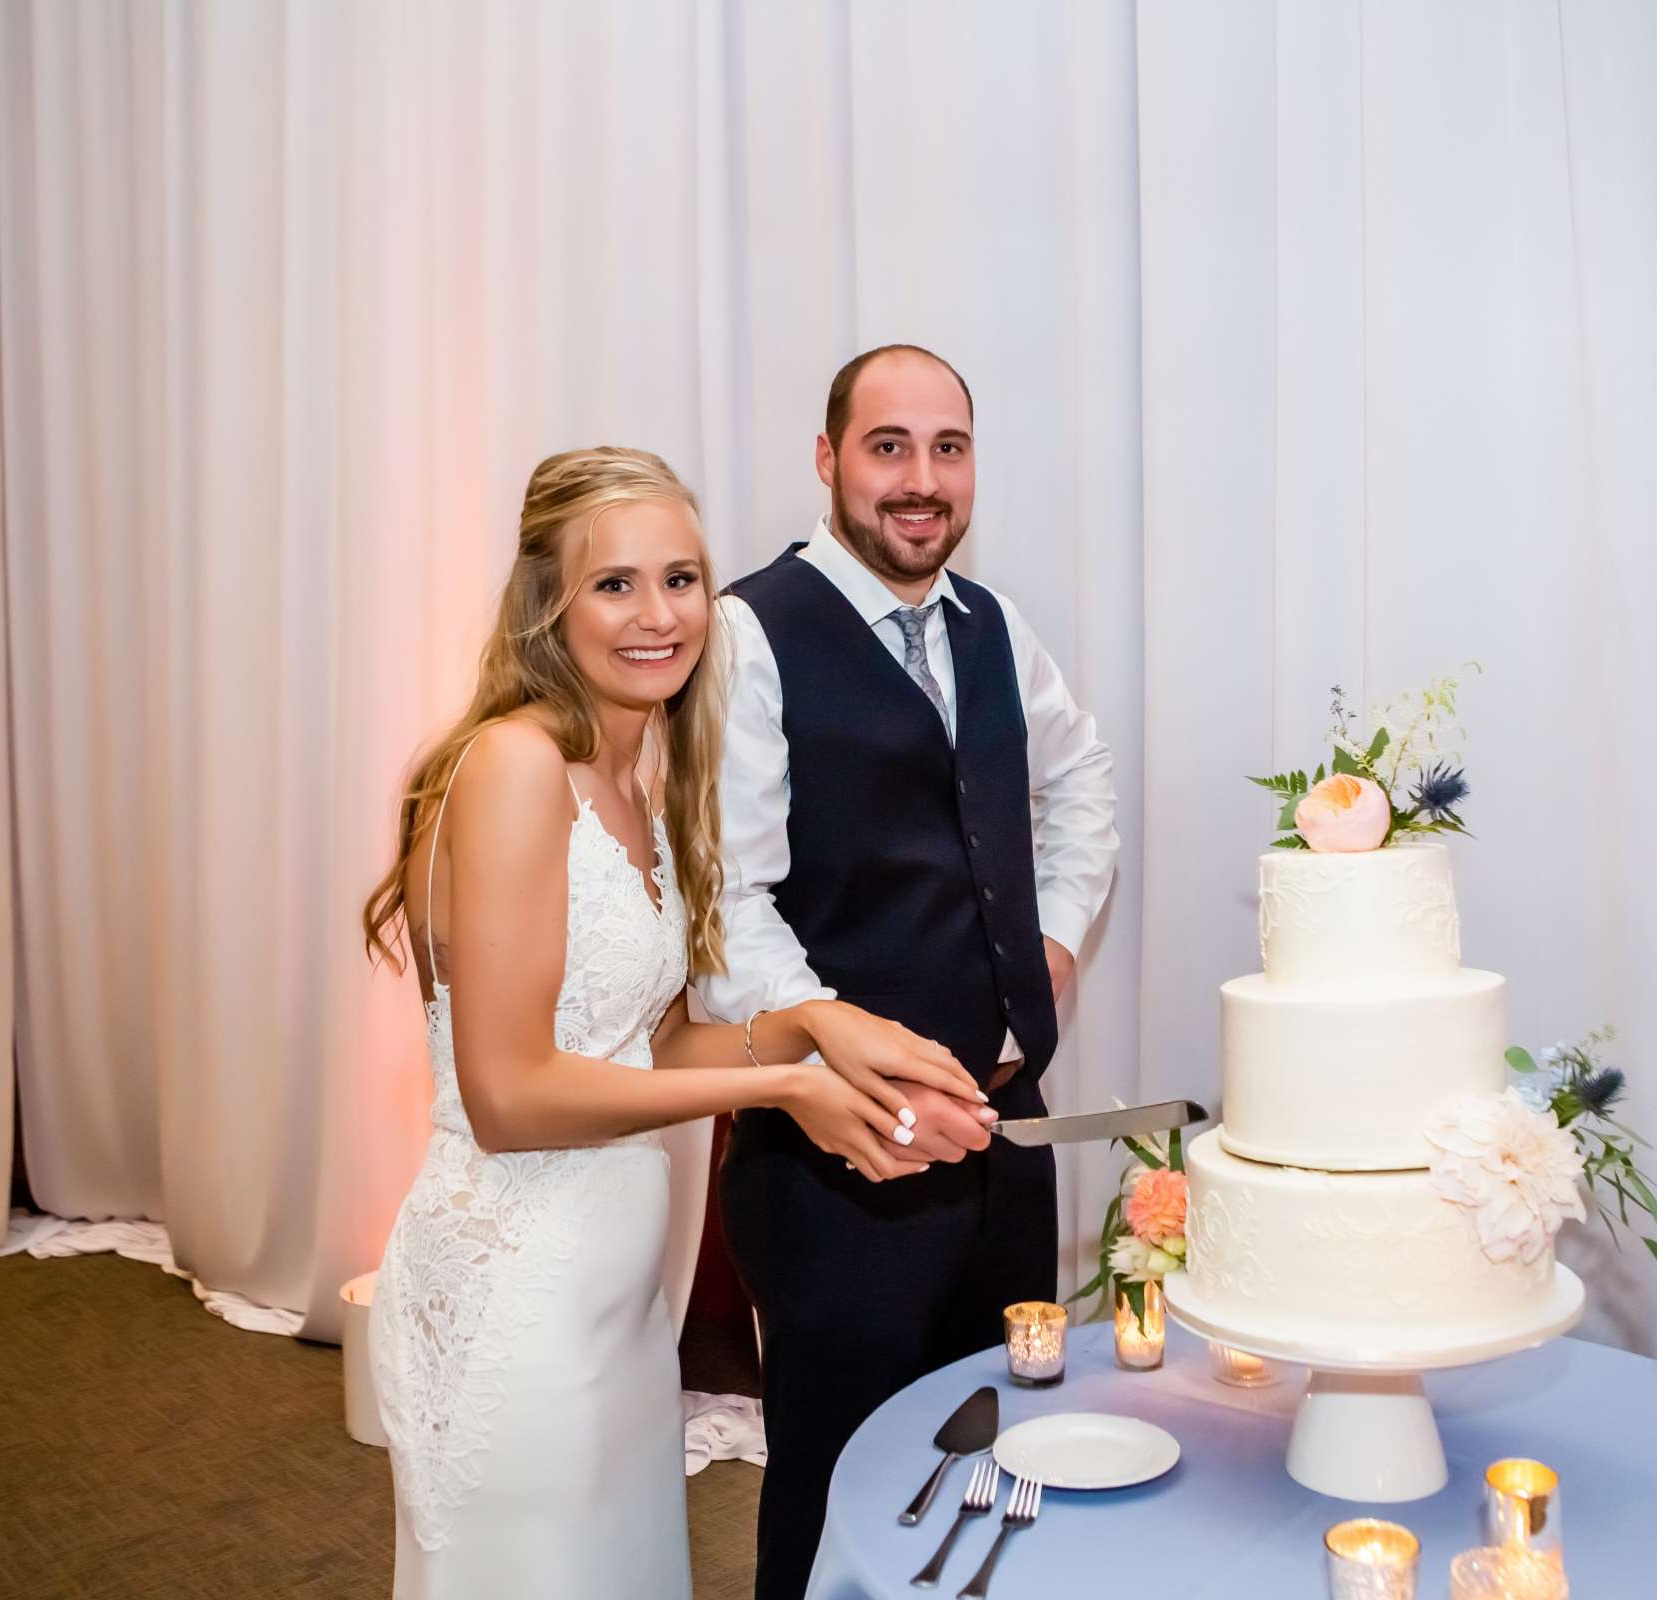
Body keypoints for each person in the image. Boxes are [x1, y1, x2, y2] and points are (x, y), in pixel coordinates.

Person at [358, 447, 985, 1599]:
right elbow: (509, 1096)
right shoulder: (511, 764)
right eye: (616, 584)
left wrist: (819, 1030)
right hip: (517, 1292)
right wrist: (779, 1087)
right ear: (548, 598)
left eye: (684, 579)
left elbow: (637, 1044)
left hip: (611, 1293)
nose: (660, 616)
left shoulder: (638, 769)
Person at [702, 348, 1119, 1598]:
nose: (922, 480)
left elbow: (1080, 777)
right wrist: (846, 1062)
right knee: (839, 1486)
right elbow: (730, 901)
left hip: (1003, 1140)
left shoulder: (993, 626)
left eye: (950, 447)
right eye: (889, 447)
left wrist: (1054, 943)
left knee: (993, 1457)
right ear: (829, 462)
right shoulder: (750, 632)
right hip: (841, 1168)